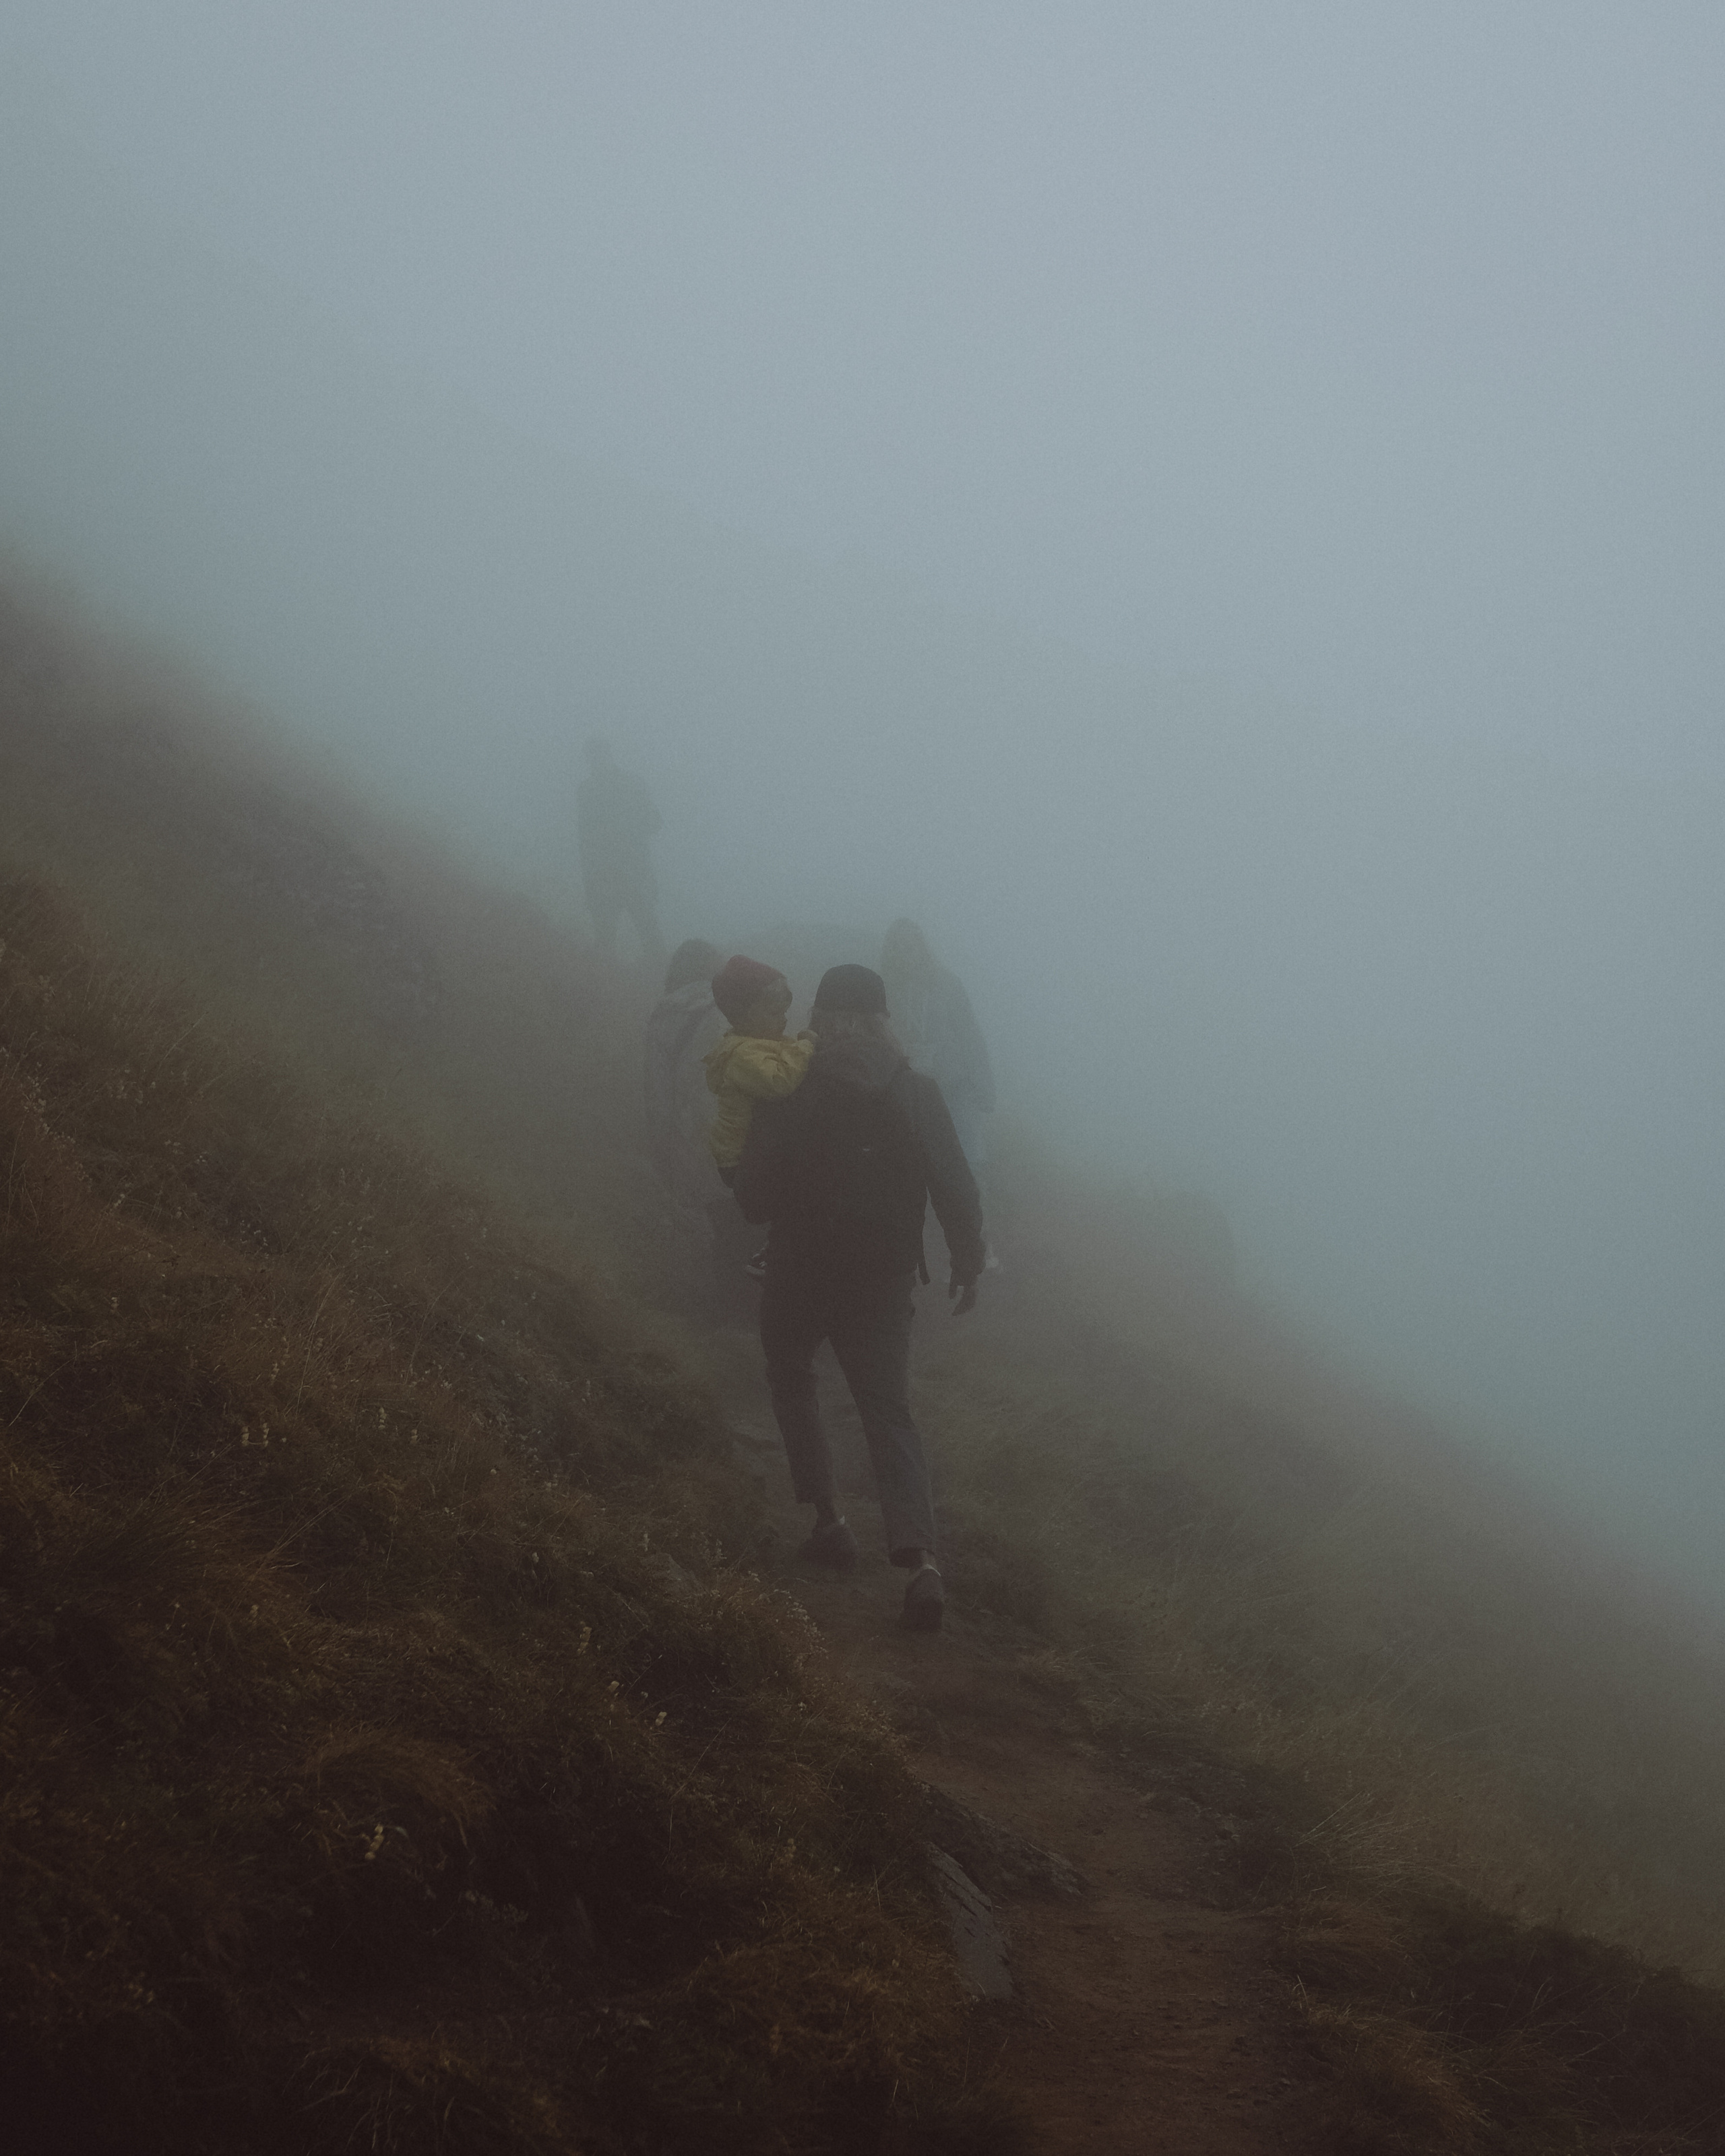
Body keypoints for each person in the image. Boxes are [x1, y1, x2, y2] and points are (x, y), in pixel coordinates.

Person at [733, 963, 985, 1632]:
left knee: (791, 1374)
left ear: (819, 1014)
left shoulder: (787, 1085)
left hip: (799, 1266)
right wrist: (967, 1261)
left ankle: (829, 1520)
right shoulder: (916, 1090)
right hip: (883, 1276)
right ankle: (922, 1563)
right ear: (882, 1020)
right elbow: (956, 1184)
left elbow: (755, 1198)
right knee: (887, 1409)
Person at [879, 919, 995, 1170]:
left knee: (967, 1163)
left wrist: (984, 1085)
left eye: (910, 947)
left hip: (953, 1086)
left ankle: (972, 1203)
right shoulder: (884, 989)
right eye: (897, 948)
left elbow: (969, 1034)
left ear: (921, 949)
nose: (904, 954)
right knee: (917, 1163)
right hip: (909, 1089)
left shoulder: (946, 984)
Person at [703, 955, 815, 1180]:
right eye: (775, 1013)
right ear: (747, 1017)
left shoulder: (753, 1042)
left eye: (784, 1012)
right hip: (739, 1159)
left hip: (749, 1153)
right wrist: (807, 1046)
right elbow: (779, 1080)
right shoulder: (742, 1056)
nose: (784, 1020)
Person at [577, 738, 663, 962]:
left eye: (598, 756)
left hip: (630, 873)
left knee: (649, 939)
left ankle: (659, 987)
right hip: (606, 876)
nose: (595, 762)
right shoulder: (587, 791)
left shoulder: (628, 785)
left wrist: (626, 827)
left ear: (607, 756)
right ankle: (614, 991)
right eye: (592, 758)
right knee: (607, 943)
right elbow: (584, 840)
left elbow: (654, 822)